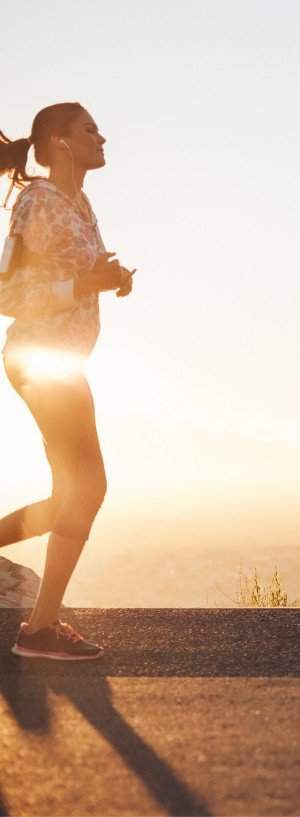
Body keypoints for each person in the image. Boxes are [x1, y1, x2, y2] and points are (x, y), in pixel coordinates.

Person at [0, 103, 135, 660]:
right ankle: (39, 632)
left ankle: (41, 629)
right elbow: (6, 295)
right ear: (58, 141)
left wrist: (111, 278)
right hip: (38, 358)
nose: (102, 137)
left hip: (61, 361)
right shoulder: (37, 203)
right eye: (88, 129)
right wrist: (86, 285)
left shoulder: (77, 201)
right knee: (87, 489)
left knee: (78, 492)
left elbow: (80, 274)